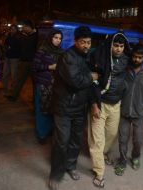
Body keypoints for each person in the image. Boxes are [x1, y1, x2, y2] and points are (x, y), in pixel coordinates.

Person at [48, 26, 98, 190]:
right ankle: (56, 174)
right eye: (83, 42)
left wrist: (92, 103)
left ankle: (70, 166)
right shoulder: (67, 56)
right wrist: (91, 77)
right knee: (62, 141)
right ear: (76, 41)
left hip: (79, 107)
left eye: (88, 42)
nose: (86, 45)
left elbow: (90, 84)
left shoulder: (87, 56)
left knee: (76, 140)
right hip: (64, 107)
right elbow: (76, 81)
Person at [88, 32, 130, 188]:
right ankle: (99, 172)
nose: (118, 49)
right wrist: (93, 104)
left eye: (121, 46)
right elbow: (92, 83)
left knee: (111, 134)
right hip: (100, 104)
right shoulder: (99, 58)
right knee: (97, 139)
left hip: (116, 105)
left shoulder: (126, 59)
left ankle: (102, 153)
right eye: (116, 45)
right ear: (110, 45)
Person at [114, 43, 143, 176]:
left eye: (140, 57)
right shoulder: (125, 68)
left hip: (139, 112)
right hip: (124, 111)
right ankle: (122, 161)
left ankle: (135, 157)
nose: (136, 60)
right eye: (134, 57)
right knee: (122, 139)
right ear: (131, 56)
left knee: (138, 140)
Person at [32, 29, 63, 144]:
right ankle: (41, 134)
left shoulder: (61, 52)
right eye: (56, 38)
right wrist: (50, 67)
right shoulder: (42, 50)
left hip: (55, 85)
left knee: (52, 108)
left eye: (60, 38)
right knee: (42, 110)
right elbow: (35, 66)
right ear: (50, 38)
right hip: (43, 85)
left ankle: (49, 130)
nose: (58, 40)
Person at [6, 20, 38, 101]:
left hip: (32, 62)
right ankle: (13, 96)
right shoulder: (23, 36)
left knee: (35, 82)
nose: (23, 28)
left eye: (24, 26)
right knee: (19, 80)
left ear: (29, 27)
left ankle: (36, 99)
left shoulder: (36, 36)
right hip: (23, 61)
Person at [2, 25, 21, 95]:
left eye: (14, 29)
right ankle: (5, 88)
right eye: (11, 29)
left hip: (15, 58)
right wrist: (6, 48)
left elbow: (20, 47)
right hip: (7, 57)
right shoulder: (9, 36)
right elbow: (5, 45)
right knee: (5, 73)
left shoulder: (19, 37)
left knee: (14, 75)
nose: (12, 30)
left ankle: (13, 89)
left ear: (16, 30)